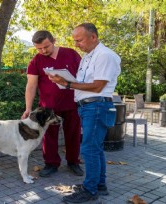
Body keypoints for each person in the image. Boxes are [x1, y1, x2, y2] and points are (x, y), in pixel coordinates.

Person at [48, 23, 121, 203]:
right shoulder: (88, 56)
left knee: (88, 149)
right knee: (95, 149)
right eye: (74, 41)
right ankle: (99, 185)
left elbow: (98, 86)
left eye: (79, 40)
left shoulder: (105, 55)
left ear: (93, 37)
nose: (76, 44)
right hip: (88, 107)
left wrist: (68, 84)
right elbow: (85, 83)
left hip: (97, 106)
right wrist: (63, 80)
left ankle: (90, 190)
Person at [21, 30, 83, 178]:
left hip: (72, 103)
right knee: (49, 135)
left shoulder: (71, 54)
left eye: (46, 47)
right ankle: (51, 163)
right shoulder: (36, 60)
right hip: (48, 108)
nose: (43, 51)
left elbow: (83, 76)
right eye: (39, 48)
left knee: (73, 134)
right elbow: (31, 85)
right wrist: (28, 108)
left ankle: (73, 162)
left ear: (53, 40)